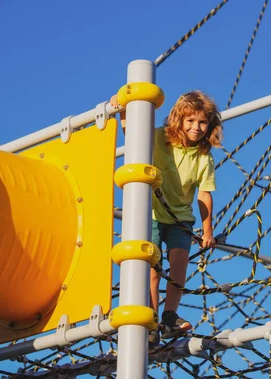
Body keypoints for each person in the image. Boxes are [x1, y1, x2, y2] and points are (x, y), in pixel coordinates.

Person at [110, 90, 223, 347]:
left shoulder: (203, 156)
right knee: (152, 268)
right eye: (190, 121)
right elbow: (134, 136)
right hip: (150, 212)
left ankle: (169, 316)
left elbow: (204, 195)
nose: (196, 128)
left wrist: (207, 231)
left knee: (179, 263)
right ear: (179, 120)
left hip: (180, 217)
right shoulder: (160, 138)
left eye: (203, 122)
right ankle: (150, 320)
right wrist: (123, 111)